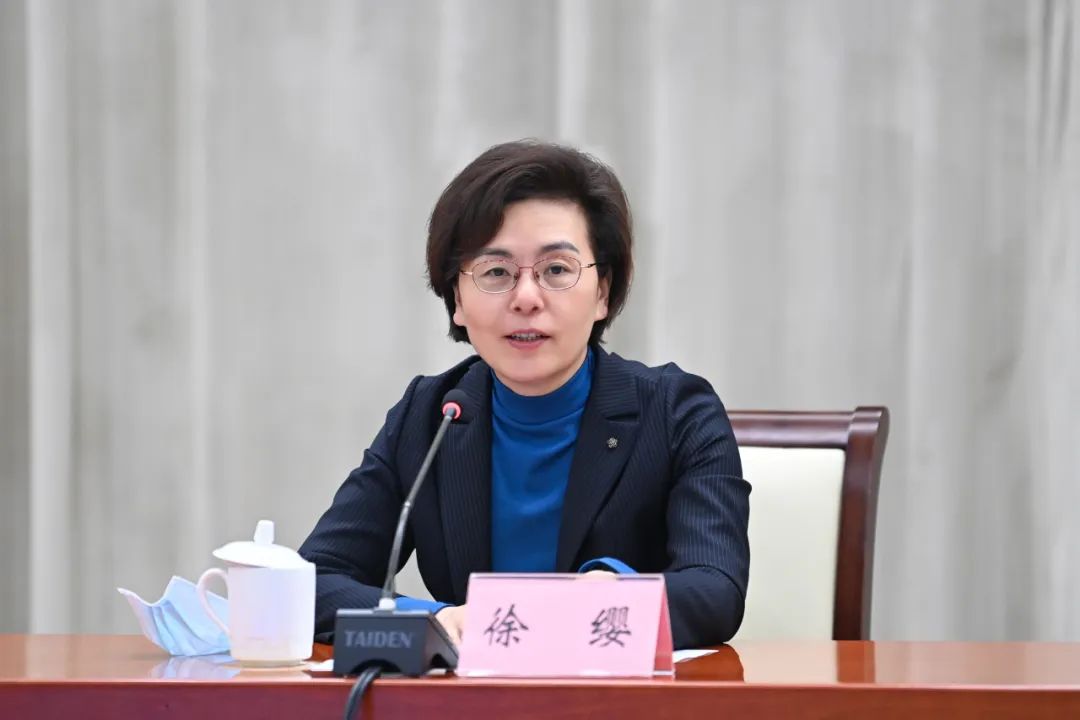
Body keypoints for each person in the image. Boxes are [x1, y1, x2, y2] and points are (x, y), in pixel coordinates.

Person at [299, 140, 750, 649]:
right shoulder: (430, 417)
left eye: (556, 270)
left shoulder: (677, 412)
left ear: (602, 292)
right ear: (457, 300)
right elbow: (315, 580)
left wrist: (611, 593)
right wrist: (438, 622)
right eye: (496, 272)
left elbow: (716, 589)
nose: (527, 298)